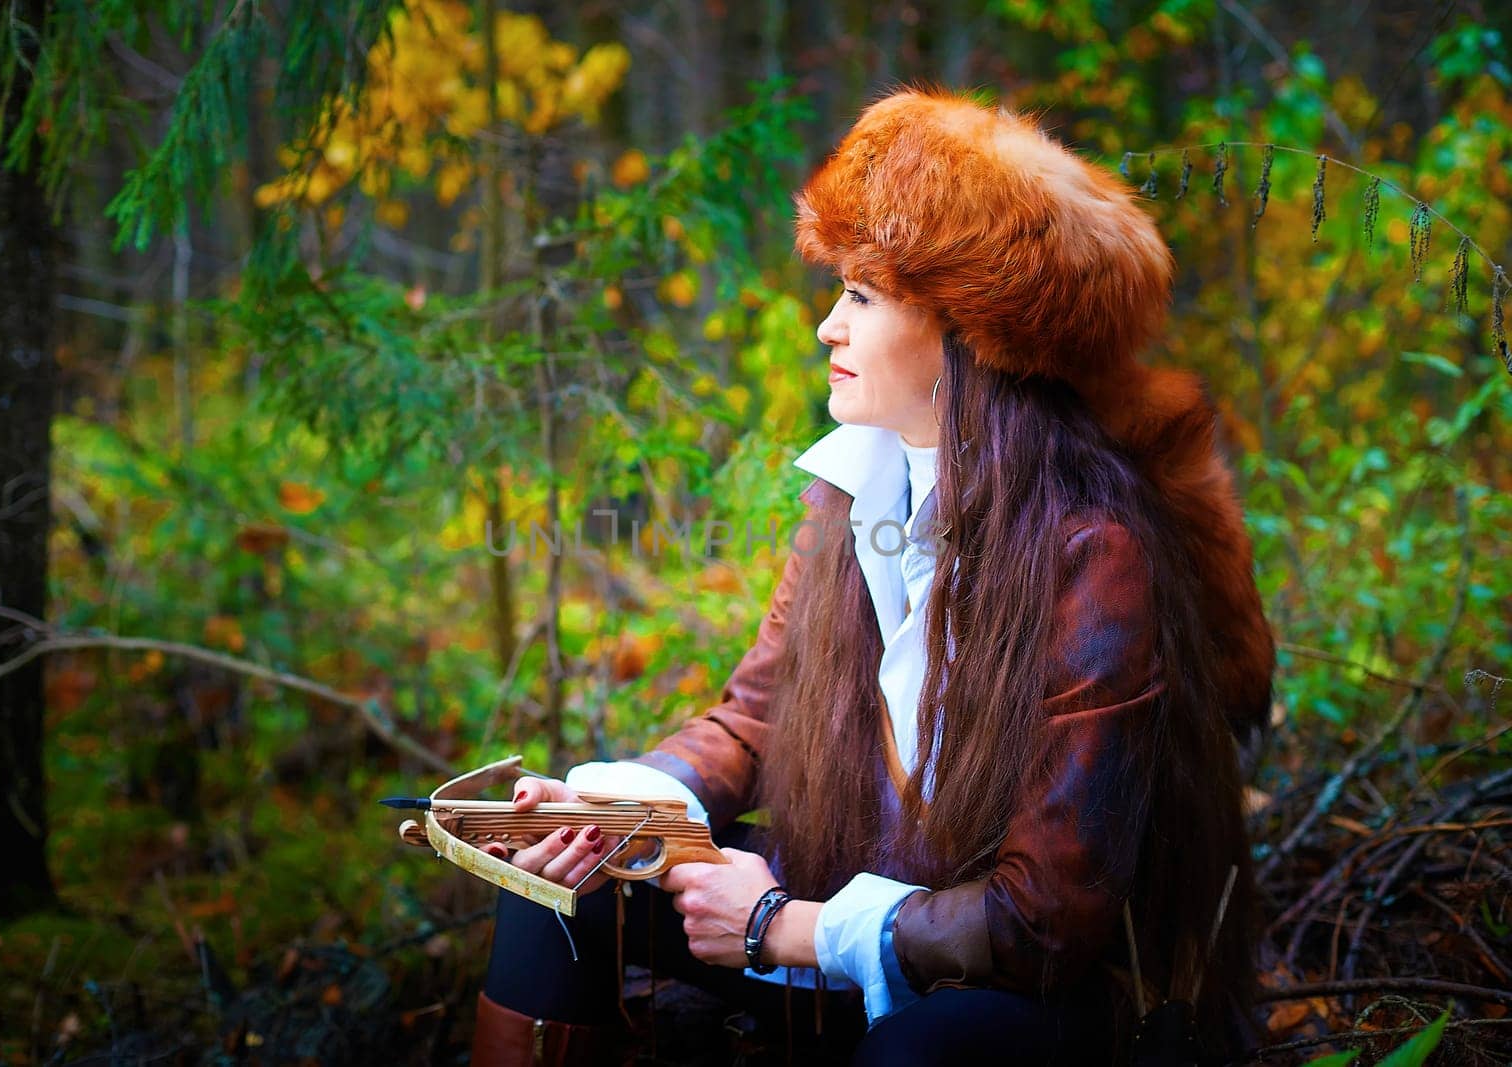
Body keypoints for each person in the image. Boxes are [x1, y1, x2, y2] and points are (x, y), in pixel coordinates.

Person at [467, 88, 1274, 1066]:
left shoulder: (1090, 551)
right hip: (853, 917)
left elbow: (1047, 923)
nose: (827, 328)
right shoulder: (854, 491)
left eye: (860, 293)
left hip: (1047, 1004)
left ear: (972, 326)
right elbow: (755, 717)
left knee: (924, 1048)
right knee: (566, 892)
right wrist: (624, 805)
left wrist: (781, 925)